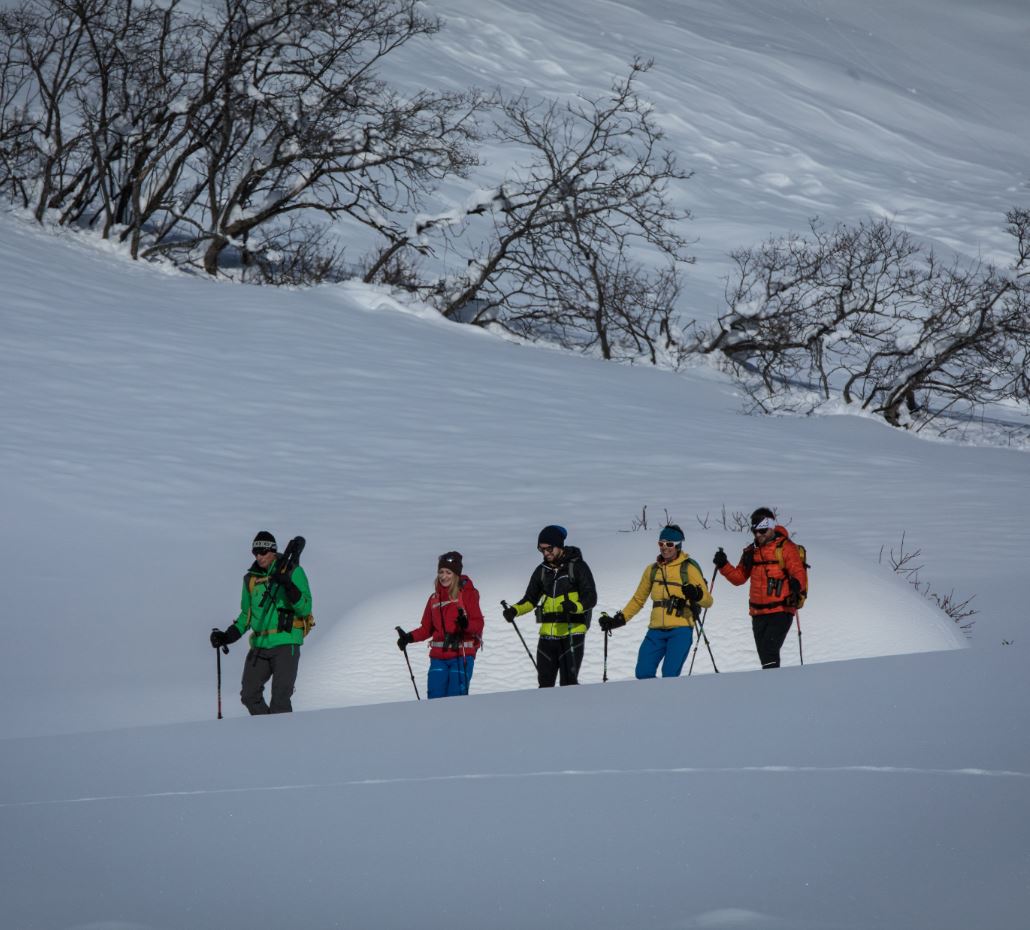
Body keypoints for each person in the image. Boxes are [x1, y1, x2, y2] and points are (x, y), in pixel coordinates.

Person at [209, 531, 313, 714]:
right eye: (255, 553)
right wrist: (226, 636)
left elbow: (305, 608)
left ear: (273, 551)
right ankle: (268, 735)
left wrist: (288, 585)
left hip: (286, 641)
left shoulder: (293, 570)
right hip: (259, 645)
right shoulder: (250, 579)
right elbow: (246, 616)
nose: (259, 556)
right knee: (249, 695)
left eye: (263, 552)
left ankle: (280, 739)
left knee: (280, 700)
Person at [599, 524, 713, 679]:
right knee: (643, 673)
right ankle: (651, 702)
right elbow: (638, 599)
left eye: (669, 544)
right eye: (661, 543)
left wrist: (697, 594)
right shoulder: (652, 570)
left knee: (670, 675)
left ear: (678, 546)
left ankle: (668, 702)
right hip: (656, 631)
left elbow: (708, 602)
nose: (664, 548)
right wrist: (618, 620)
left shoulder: (689, 568)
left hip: (681, 630)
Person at [501, 525, 597, 687]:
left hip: (572, 634)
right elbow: (530, 600)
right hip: (547, 637)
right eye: (541, 550)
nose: (546, 553)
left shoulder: (578, 567)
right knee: (545, 685)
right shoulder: (541, 571)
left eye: (549, 549)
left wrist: (575, 606)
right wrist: (514, 611)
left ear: (559, 545)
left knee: (569, 684)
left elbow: (591, 597)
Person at [713, 507, 808, 669]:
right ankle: (772, 689)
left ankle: (771, 689)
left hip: (781, 610)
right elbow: (739, 578)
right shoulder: (751, 551)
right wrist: (723, 565)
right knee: (765, 657)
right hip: (758, 613)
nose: (758, 535)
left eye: (762, 531)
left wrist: (796, 584)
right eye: (755, 531)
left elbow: (798, 571)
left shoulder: (785, 547)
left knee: (769, 652)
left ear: (771, 527)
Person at [396, 551, 485, 698]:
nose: (443, 576)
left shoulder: (467, 594)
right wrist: (408, 637)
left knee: (455, 699)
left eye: (448, 572)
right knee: (434, 699)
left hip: (461, 654)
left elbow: (478, 624)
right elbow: (426, 629)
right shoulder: (434, 598)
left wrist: (466, 624)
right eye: (441, 572)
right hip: (438, 657)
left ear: (456, 574)